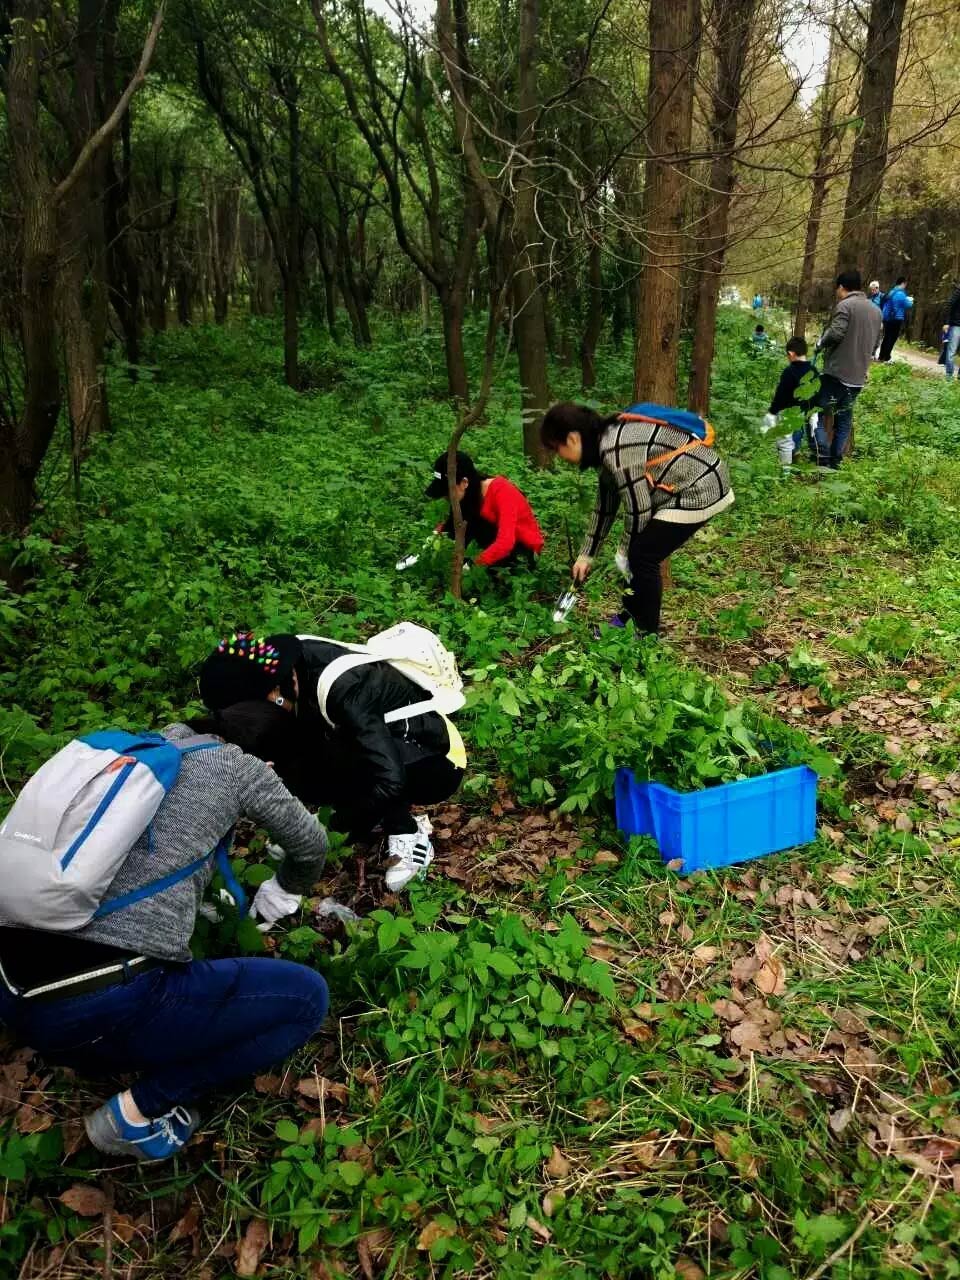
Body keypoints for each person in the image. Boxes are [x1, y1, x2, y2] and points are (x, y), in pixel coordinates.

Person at [0, 724, 329, 1163]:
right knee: (306, 998)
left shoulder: (140, 751)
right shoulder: (237, 766)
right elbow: (311, 845)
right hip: (94, 1010)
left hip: (10, 986)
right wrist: (284, 891)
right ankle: (135, 1115)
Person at [198, 631, 466, 892]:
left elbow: (389, 780)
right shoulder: (288, 669)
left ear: (274, 694)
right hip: (374, 741)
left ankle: (407, 831)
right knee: (293, 756)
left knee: (360, 765)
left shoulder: (343, 690)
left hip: (435, 755)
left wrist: (330, 831)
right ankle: (358, 813)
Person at [539, 402, 733, 636]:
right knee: (637, 553)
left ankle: (645, 633)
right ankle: (628, 619)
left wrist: (623, 552)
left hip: (701, 489)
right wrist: (586, 555)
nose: (558, 456)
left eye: (555, 448)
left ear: (571, 439)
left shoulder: (615, 448)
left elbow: (638, 510)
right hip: (682, 488)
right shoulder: (605, 444)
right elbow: (606, 506)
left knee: (642, 556)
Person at [426, 451, 544, 569]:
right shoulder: (468, 494)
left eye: (447, 492)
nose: (445, 498)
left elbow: (506, 542)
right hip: (492, 543)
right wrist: (429, 542)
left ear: (464, 483)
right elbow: (451, 526)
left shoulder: (502, 491)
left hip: (521, 551)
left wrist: (471, 567)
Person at [813, 270, 882, 469]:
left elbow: (836, 332)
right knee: (843, 420)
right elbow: (876, 343)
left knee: (815, 412)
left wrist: (820, 343)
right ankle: (835, 461)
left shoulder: (845, 305)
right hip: (858, 378)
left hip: (837, 374)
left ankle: (823, 457)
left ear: (841, 287)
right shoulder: (876, 310)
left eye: (837, 288)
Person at [763, 336, 819, 461]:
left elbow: (780, 395)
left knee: (785, 444)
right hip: (804, 413)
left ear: (791, 354)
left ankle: (785, 474)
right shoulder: (814, 371)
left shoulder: (789, 372)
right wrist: (814, 413)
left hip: (787, 412)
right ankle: (796, 453)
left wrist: (772, 412)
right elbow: (816, 393)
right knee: (798, 434)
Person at [878, 276, 913, 362]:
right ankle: (886, 357)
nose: (905, 286)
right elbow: (907, 305)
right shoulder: (900, 294)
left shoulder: (891, 291)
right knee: (892, 338)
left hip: (887, 318)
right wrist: (910, 301)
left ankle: (881, 356)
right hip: (896, 318)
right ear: (903, 283)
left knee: (886, 337)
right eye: (905, 284)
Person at [942, 281, 960, 381]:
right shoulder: (959, 291)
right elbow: (949, 305)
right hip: (956, 325)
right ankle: (949, 375)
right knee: (951, 352)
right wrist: (946, 322)